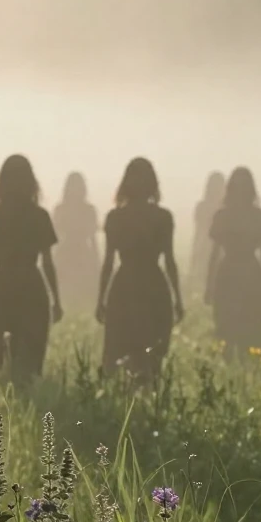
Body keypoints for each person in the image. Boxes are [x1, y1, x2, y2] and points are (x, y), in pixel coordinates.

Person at [0, 155, 62, 382]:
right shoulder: (40, 216)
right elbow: (47, 262)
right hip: (32, 285)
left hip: (0, 284)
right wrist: (56, 300)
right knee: (30, 352)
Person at [97, 158, 184, 379]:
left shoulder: (115, 217)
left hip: (124, 286)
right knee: (152, 352)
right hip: (154, 285)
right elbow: (170, 261)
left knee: (119, 349)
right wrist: (178, 299)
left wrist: (101, 299)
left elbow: (108, 262)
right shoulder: (163, 217)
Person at [205, 167, 261, 353]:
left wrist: (209, 285)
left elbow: (214, 255)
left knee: (228, 325)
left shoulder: (222, 216)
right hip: (250, 273)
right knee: (250, 325)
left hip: (228, 273)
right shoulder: (258, 216)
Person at [53, 172, 99, 313]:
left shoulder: (86, 210)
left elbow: (93, 239)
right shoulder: (62, 210)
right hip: (69, 254)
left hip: (79, 255)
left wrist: (96, 261)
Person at [189, 171, 225, 297]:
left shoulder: (202, 207)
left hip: (209, 248)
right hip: (214, 249)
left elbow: (198, 234)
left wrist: (194, 256)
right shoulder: (224, 208)